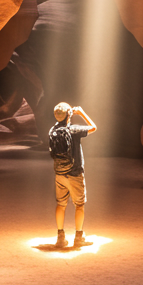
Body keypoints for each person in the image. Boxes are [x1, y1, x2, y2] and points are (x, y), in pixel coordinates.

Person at [48, 102, 97, 249]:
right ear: (69, 115)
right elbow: (94, 127)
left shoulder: (52, 131)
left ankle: (60, 237)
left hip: (60, 174)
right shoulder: (73, 130)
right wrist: (81, 113)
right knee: (79, 204)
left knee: (61, 204)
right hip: (75, 173)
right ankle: (78, 237)